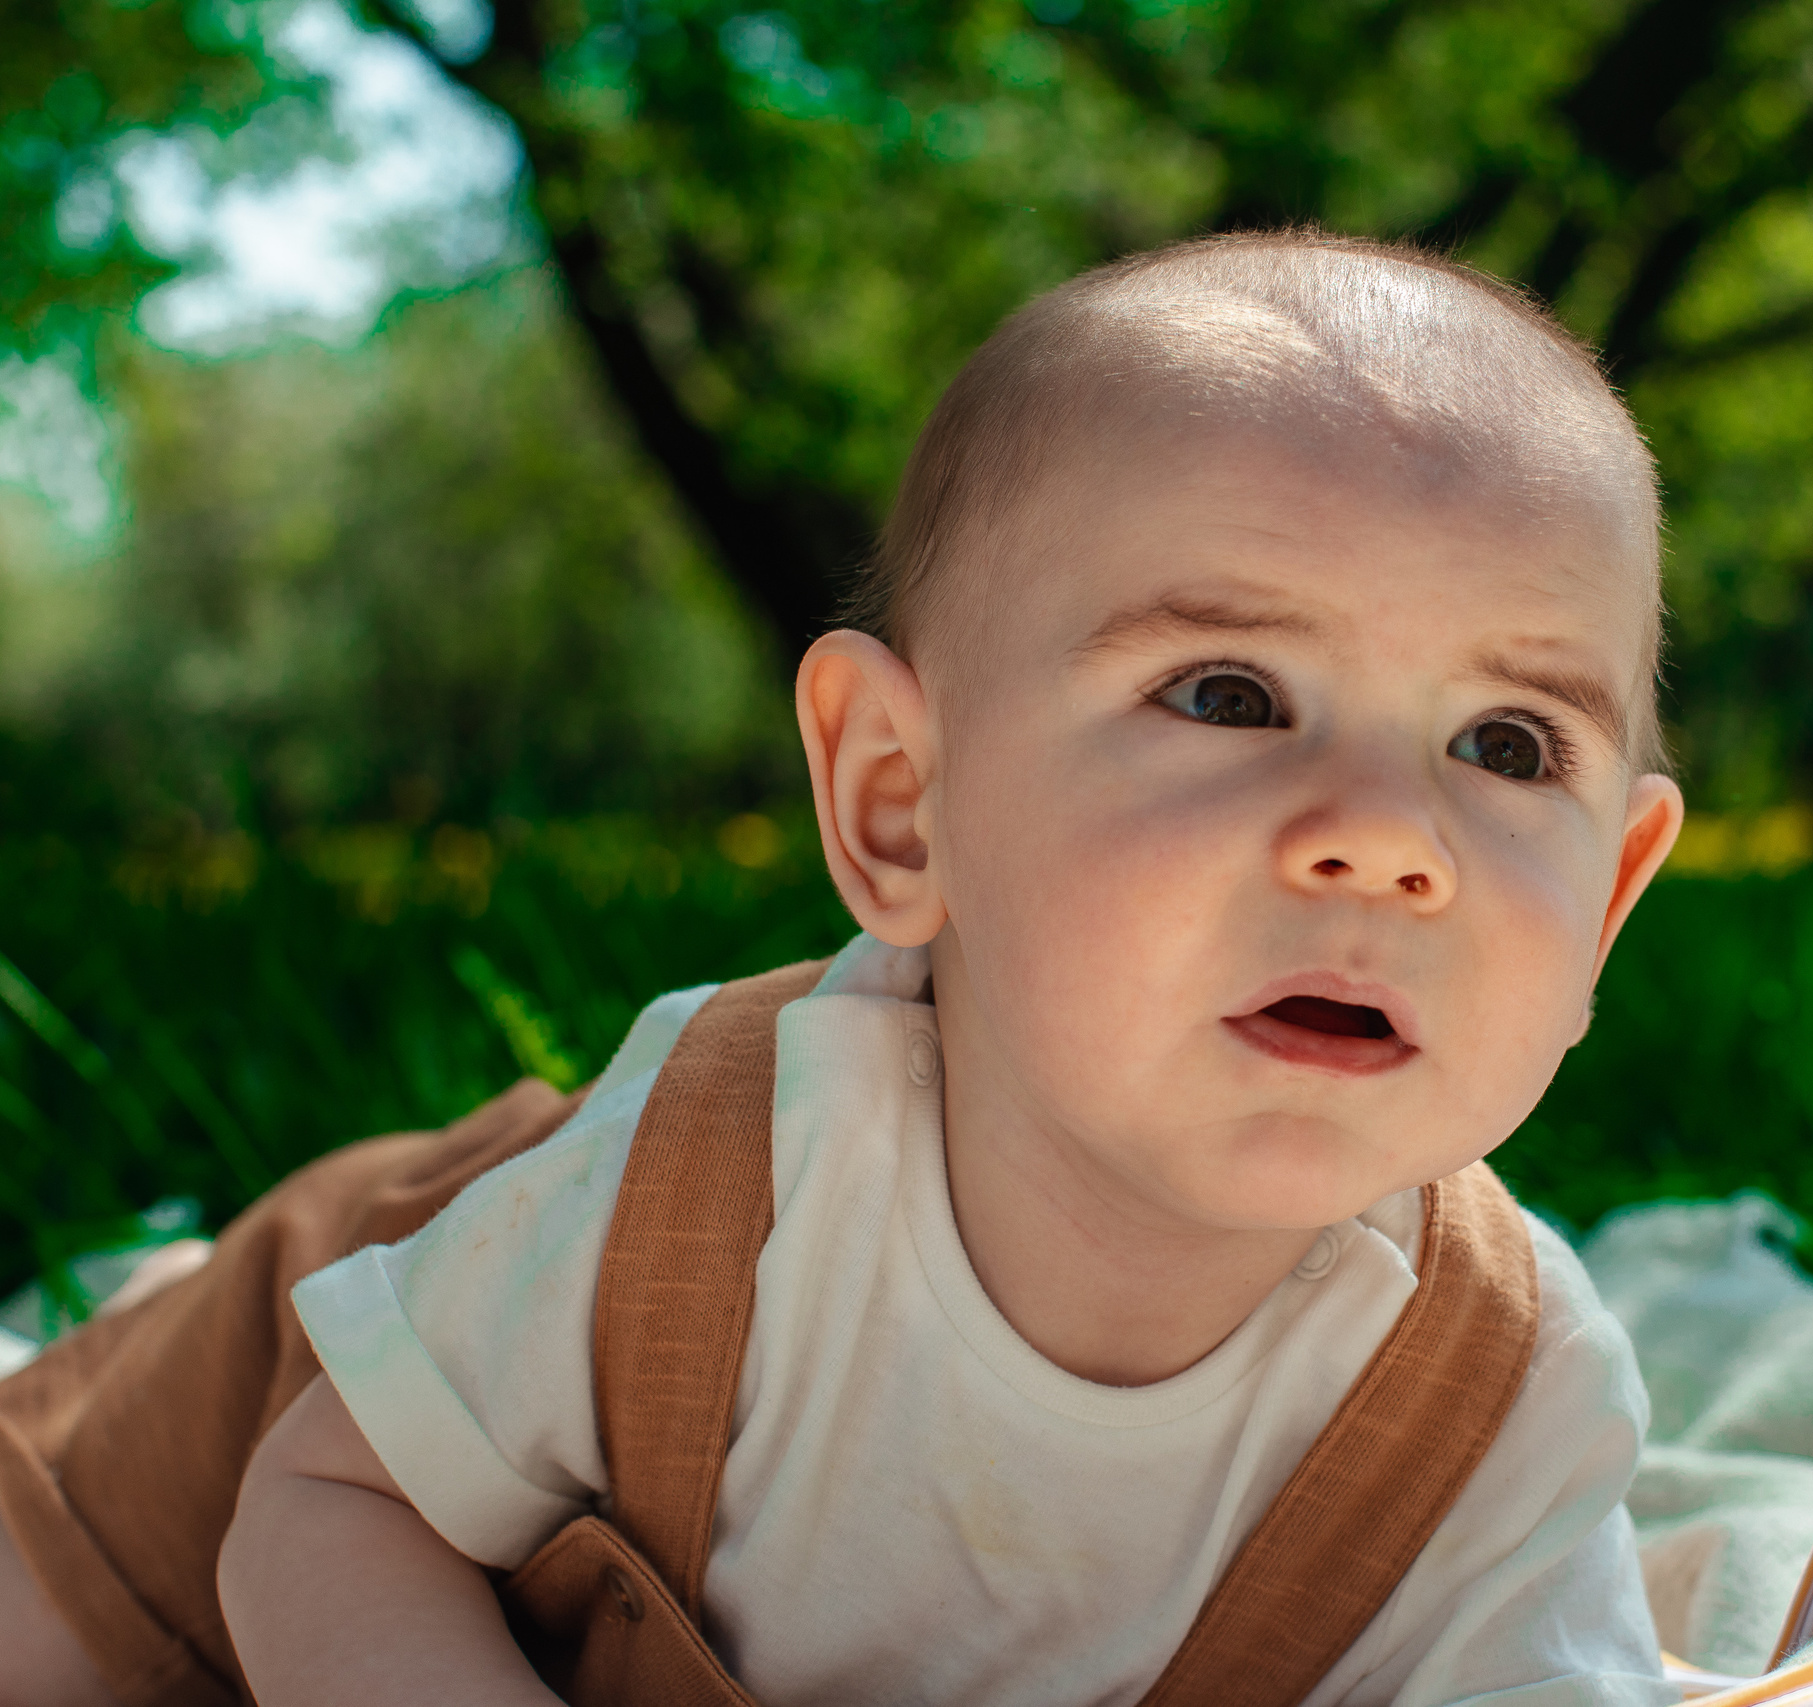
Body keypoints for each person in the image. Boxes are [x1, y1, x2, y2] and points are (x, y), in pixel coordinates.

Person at [14, 228, 1690, 1706]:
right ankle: (187, 1294)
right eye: (1232, 695)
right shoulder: (714, 1187)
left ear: (1612, 902)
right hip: (303, 1412)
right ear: (902, 801)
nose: (1390, 841)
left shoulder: (1499, 1398)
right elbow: (327, 1510)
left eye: (1508, 742)